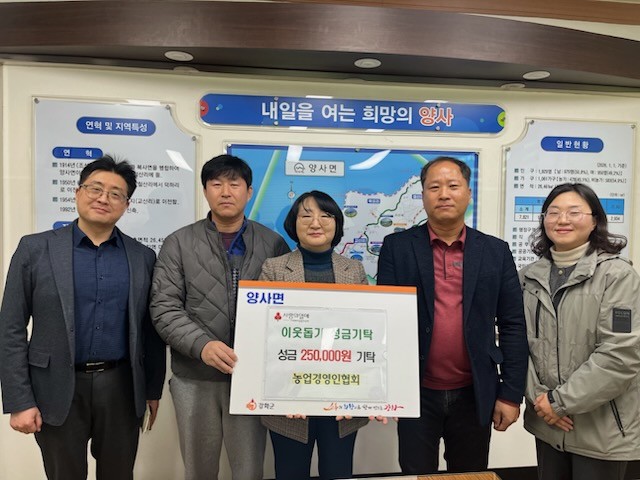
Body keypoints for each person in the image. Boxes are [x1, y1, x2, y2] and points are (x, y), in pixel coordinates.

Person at [0, 155, 166, 480]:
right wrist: (19, 400)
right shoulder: (35, 249)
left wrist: (152, 390)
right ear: (77, 192)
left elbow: (151, 331)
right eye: (95, 188)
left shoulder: (142, 257)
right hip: (55, 387)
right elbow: (11, 328)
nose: (104, 198)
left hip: (121, 387)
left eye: (115, 194)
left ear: (127, 205)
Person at [376, 156, 528, 474]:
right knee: (417, 475)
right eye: (434, 187)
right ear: (423, 195)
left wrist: (511, 394)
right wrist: (383, 390)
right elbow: (385, 320)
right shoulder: (397, 247)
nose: (444, 194)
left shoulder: (495, 251)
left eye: (453, 186)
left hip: (475, 391)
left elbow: (513, 324)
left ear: (468, 193)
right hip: (416, 392)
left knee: (469, 474)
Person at [150, 154, 290, 480]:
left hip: (252, 378)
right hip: (194, 376)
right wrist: (202, 345)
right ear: (205, 191)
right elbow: (164, 307)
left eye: (234, 184)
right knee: (198, 470)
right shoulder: (178, 243)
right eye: (216, 184)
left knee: (249, 470)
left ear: (249, 192)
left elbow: (288, 310)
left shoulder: (273, 244)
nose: (225, 192)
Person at [520, 183, 640, 480]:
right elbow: (518, 346)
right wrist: (542, 401)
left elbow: (620, 354)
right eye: (554, 212)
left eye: (574, 212)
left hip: (601, 431)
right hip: (548, 425)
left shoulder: (617, 276)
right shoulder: (527, 278)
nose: (563, 220)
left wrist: (559, 403)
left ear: (595, 220)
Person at [259, 190, 370, 480]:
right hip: (289, 403)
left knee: (338, 472)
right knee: (290, 473)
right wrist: (283, 393)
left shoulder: (354, 270)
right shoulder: (273, 269)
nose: (316, 222)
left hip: (342, 402)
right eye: (306, 215)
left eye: (326, 215)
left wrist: (361, 393)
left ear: (337, 224)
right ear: (293, 224)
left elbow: (365, 335)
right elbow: (264, 337)